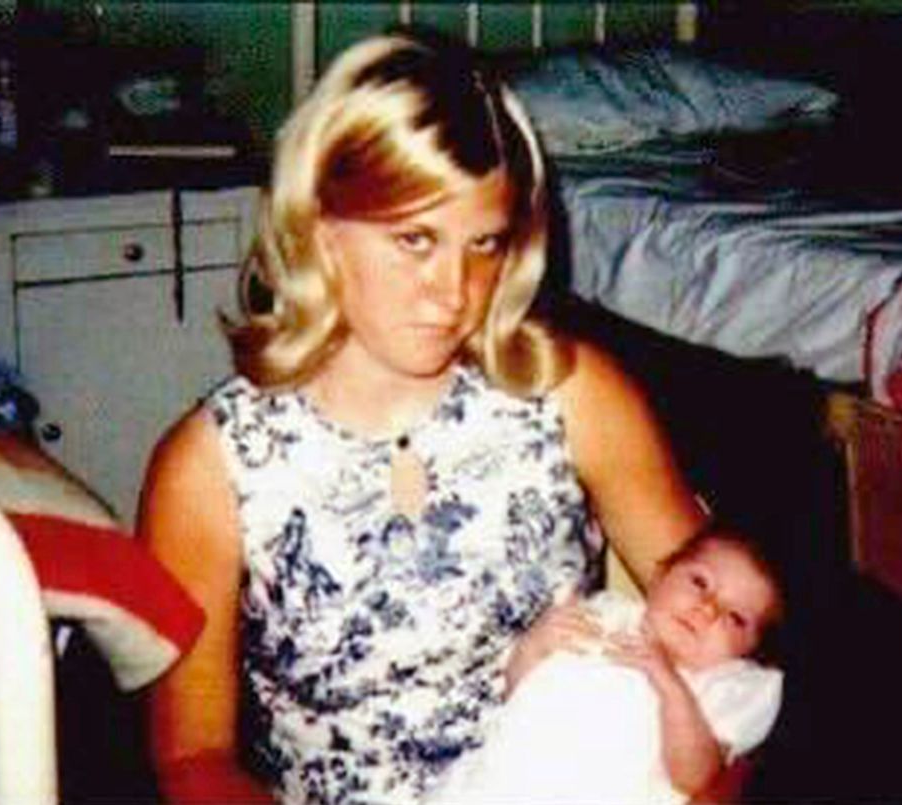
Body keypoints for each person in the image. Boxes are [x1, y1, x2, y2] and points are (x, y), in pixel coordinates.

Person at [138, 32, 706, 804]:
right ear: (320, 225)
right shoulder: (210, 466)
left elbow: (725, 635)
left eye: (485, 245)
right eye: (415, 240)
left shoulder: (576, 394)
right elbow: (193, 758)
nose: (454, 290)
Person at [425, 526, 785, 805]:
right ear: (660, 575)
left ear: (750, 650)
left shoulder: (720, 685)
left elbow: (695, 777)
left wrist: (668, 684)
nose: (707, 608)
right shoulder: (605, 617)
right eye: (699, 582)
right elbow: (520, 696)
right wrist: (533, 646)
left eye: (735, 618)